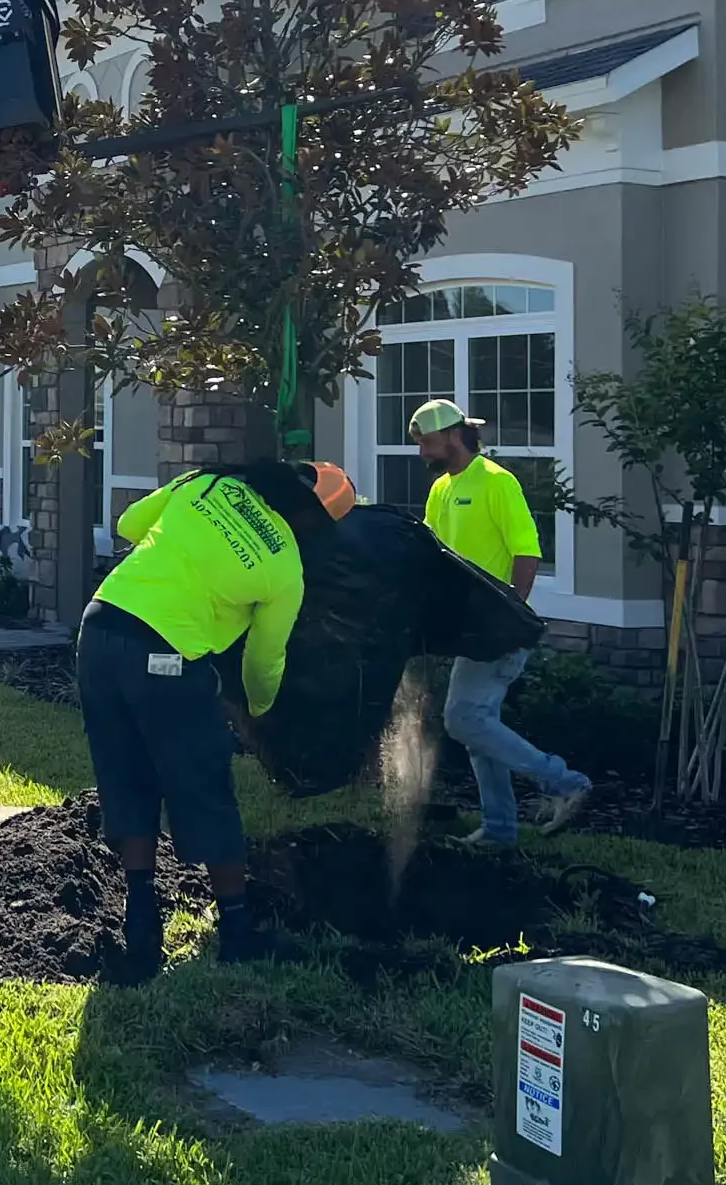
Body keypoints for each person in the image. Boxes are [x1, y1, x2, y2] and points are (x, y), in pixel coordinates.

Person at [76, 458, 356, 978]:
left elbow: (129, 525)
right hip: (166, 655)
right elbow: (263, 661)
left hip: (98, 628)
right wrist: (261, 712)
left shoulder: (210, 483)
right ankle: (237, 931)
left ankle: (141, 928)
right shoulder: (285, 568)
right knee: (203, 784)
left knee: (125, 778)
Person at [408, 398, 593, 845]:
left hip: (499, 627)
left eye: (428, 444)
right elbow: (433, 557)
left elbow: (526, 550)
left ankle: (565, 783)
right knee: (478, 727)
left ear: (454, 436)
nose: (422, 455)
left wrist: (510, 612)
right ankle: (499, 829)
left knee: (463, 717)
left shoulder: (496, 483)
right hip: (468, 630)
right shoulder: (441, 490)